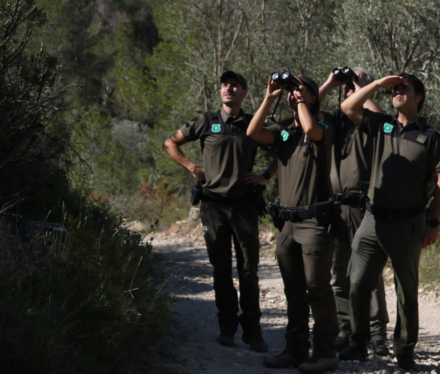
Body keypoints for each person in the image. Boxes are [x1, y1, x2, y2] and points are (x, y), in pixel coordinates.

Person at [336, 73, 440, 371]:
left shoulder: (431, 137)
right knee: (357, 281)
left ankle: (403, 350)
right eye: (396, 89)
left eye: (404, 89)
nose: (398, 92)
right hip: (373, 218)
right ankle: (358, 343)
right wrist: (375, 85)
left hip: (408, 222)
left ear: (419, 97)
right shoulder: (382, 125)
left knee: (406, 290)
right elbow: (349, 108)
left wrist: (434, 222)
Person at [163, 71, 271, 352]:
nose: (228, 89)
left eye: (235, 85)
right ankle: (227, 327)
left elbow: (286, 143)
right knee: (221, 270)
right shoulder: (206, 122)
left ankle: (253, 331)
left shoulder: (252, 124)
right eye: (225, 85)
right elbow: (170, 143)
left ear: (244, 93)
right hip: (213, 206)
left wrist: (266, 176)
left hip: (245, 206)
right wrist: (192, 167)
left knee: (249, 271)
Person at [246, 74, 339, 374]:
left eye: (300, 91)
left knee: (317, 289)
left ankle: (325, 353)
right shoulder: (285, 132)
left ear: (313, 97)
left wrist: (301, 100)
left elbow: (311, 129)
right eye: (291, 91)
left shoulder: (325, 126)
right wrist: (270, 96)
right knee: (294, 291)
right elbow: (252, 132)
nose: (293, 95)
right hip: (286, 224)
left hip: (313, 223)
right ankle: (296, 349)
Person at [316, 68, 391, 357]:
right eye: (348, 88)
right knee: (339, 275)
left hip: (364, 206)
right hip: (338, 207)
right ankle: (344, 330)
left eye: (356, 86)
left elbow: (382, 116)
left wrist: (364, 85)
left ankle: (376, 333)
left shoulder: (373, 123)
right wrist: (332, 82)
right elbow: (309, 110)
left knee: (368, 274)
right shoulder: (335, 121)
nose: (351, 91)